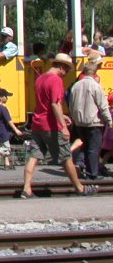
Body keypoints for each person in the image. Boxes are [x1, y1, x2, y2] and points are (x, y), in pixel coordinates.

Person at [21, 53, 97, 198]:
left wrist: (63, 116)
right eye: (66, 70)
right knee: (66, 157)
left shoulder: (40, 78)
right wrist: (63, 125)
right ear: (62, 67)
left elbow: (44, 105)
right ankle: (79, 188)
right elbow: (55, 104)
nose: (65, 74)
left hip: (38, 124)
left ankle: (26, 188)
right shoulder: (56, 80)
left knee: (33, 156)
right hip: (52, 126)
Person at [69, 58, 112, 180]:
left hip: (79, 123)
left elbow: (71, 105)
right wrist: (109, 121)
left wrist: (74, 119)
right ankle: (92, 174)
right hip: (94, 122)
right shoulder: (95, 86)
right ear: (94, 73)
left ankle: (86, 169)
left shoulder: (76, 86)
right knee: (94, 149)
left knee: (86, 147)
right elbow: (103, 106)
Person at [0, 88, 24, 170]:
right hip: (2, 130)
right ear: (0, 97)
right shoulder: (2, 108)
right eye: (6, 96)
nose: (7, 98)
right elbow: (8, 120)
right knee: (6, 148)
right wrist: (16, 130)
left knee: (5, 146)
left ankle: (7, 164)